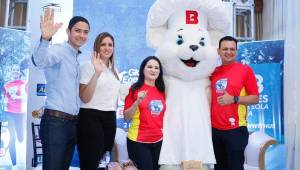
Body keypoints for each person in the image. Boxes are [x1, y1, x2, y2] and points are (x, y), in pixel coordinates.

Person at [32, 8, 90, 170]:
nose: (82, 35)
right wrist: (45, 39)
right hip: (56, 123)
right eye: (77, 31)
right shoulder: (59, 51)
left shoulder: (78, 58)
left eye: (85, 32)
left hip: (71, 124)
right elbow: (40, 61)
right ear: (68, 31)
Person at [210, 36, 259, 170]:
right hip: (214, 130)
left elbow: (255, 98)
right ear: (218, 51)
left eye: (232, 49)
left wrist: (234, 99)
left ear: (236, 51)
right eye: (225, 49)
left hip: (236, 130)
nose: (228, 52)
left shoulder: (245, 70)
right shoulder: (213, 72)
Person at [77, 32, 120, 170]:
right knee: (90, 163)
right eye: (103, 44)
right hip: (90, 117)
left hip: (110, 118)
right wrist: (97, 73)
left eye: (110, 45)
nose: (107, 48)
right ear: (97, 46)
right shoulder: (87, 66)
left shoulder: (114, 70)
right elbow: (84, 97)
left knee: (103, 164)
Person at [124, 56, 166, 170]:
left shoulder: (162, 90)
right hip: (138, 141)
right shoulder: (134, 89)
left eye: (156, 68)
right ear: (143, 69)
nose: (153, 70)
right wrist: (137, 101)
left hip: (158, 141)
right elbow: (127, 117)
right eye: (150, 67)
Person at [2, 64, 27, 166]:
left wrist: (18, 97)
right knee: (12, 138)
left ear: (19, 72)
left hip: (21, 113)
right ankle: (14, 163)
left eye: (17, 70)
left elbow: (27, 99)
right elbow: (4, 99)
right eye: (13, 70)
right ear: (11, 71)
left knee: (21, 138)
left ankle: (20, 137)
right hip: (9, 113)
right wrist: (5, 102)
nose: (15, 71)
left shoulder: (24, 83)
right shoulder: (6, 85)